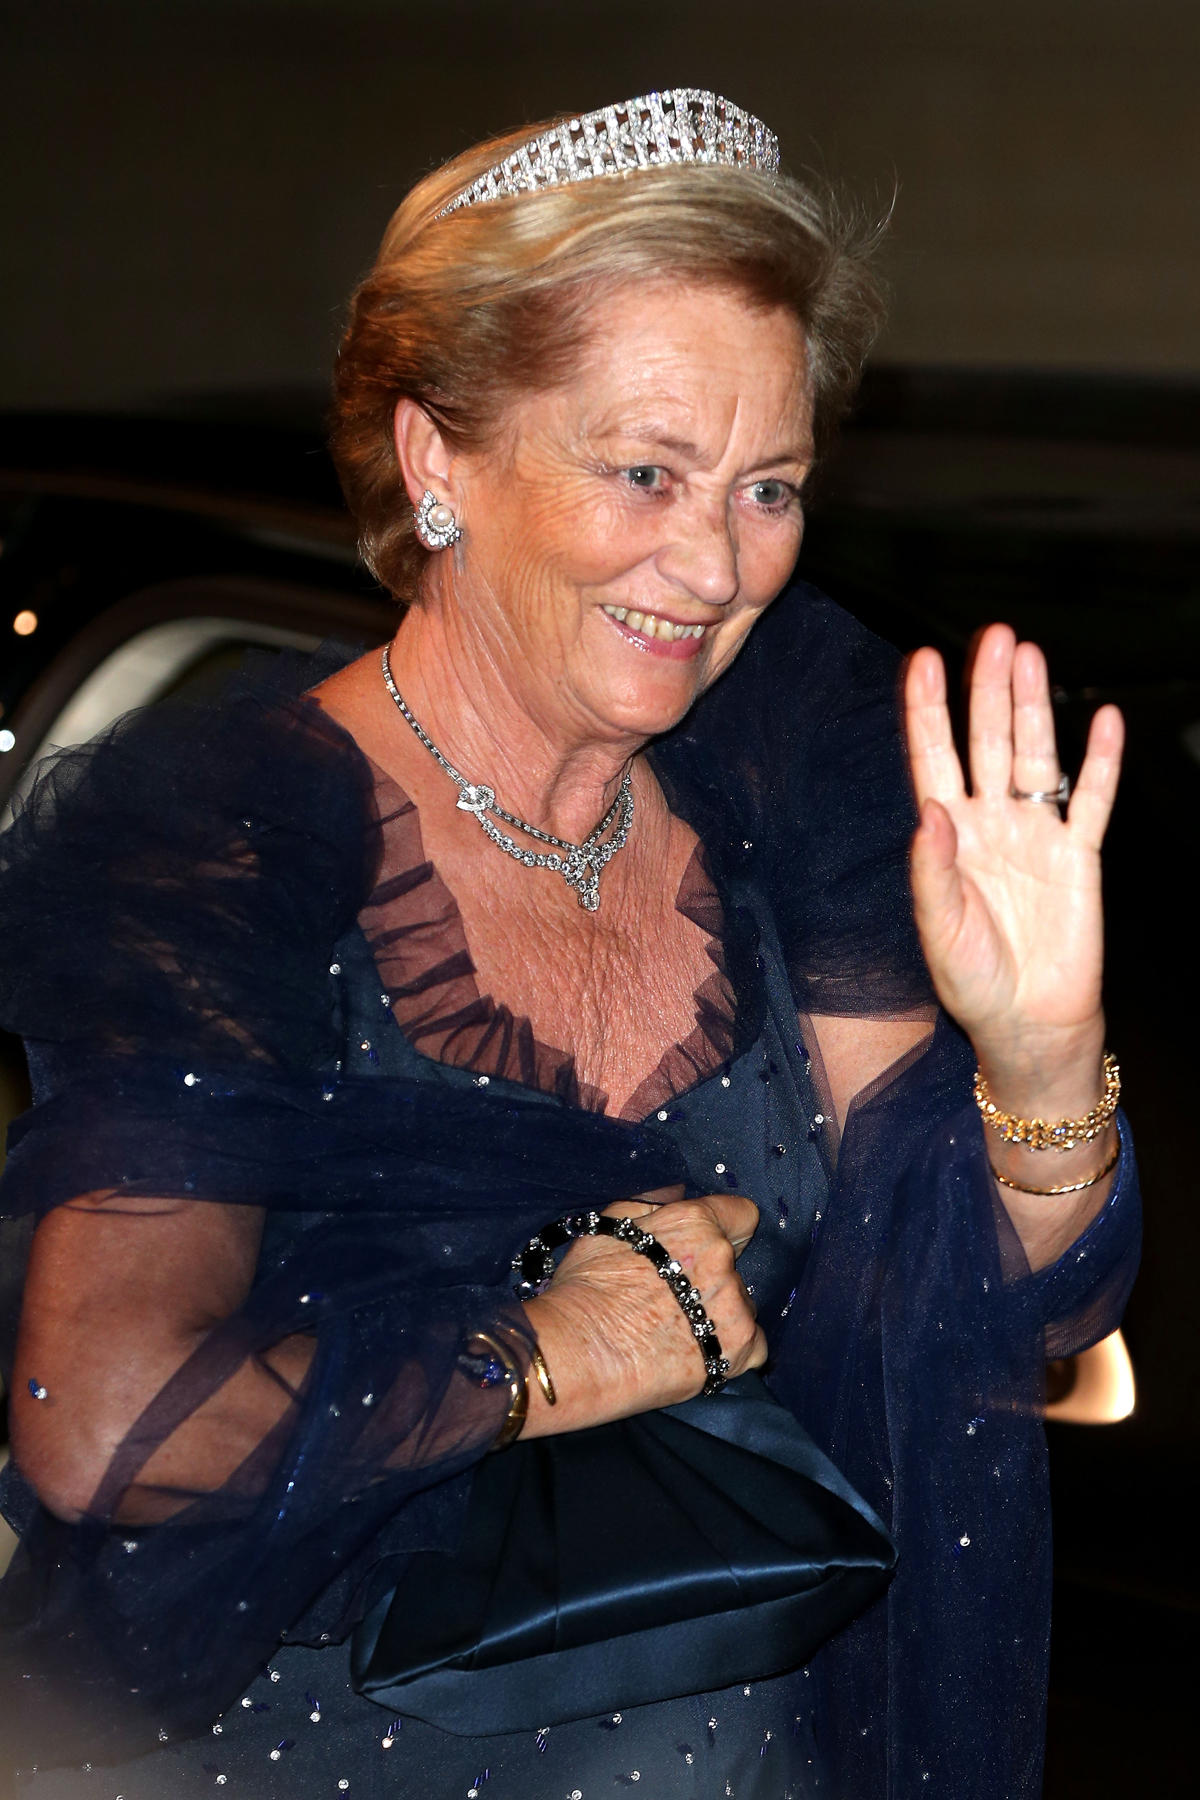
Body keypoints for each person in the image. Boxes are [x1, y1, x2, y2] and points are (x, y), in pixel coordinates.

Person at [0, 91, 1139, 1800]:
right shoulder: (235, 841)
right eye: (645, 472)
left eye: (769, 488)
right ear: (436, 460)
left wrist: (1043, 1053)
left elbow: (990, 1297)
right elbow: (100, 1420)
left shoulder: (783, 794)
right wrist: (545, 1356)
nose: (716, 563)